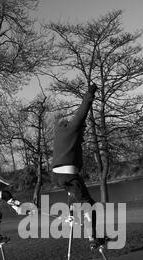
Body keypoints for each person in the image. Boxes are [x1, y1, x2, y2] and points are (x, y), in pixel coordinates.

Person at [52, 83, 105, 250]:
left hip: (58, 177)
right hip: (69, 175)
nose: (84, 132)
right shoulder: (72, 129)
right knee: (90, 205)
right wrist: (91, 92)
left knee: (78, 198)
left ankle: (71, 214)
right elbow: (83, 111)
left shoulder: (60, 136)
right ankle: (93, 239)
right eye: (83, 130)